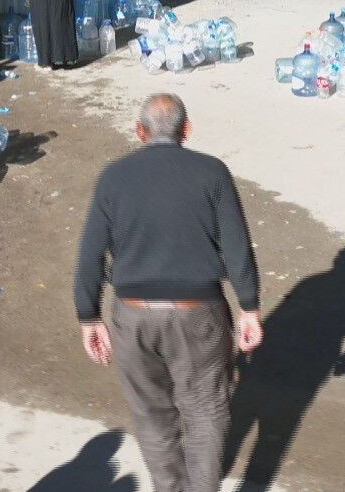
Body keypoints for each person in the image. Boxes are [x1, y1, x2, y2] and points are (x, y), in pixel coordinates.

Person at [74, 93, 262, 492]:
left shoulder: (113, 177)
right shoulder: (212, 173)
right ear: (187, 129)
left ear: (139, 131)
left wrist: (88, 316)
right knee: (206, 410)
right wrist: (249, 307)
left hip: (132, 315)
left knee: (151, 414)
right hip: (199, 311)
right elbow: (236, 246)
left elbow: (91, 252)